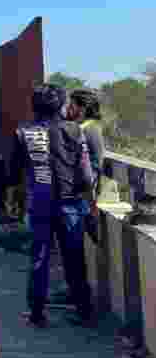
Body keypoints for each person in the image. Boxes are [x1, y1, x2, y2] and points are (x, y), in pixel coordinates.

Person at [9, 84, 95, 328]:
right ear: (60, 104)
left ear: (34, 105)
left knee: (40, 258)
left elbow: (13, 174)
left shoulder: (23, 132)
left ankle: (37, 314)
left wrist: (17, 202)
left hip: (40, 204)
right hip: (70, 206)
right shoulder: (75, 131)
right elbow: (87, 176)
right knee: (74, 259)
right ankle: (84, 311)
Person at [68, 89, 105, 243]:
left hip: (84, 196)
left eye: (72, 105)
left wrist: (91, 199)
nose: (69, 109)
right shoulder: (86, 128)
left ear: (82, 108)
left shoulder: (88, 129)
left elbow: (95, 165)